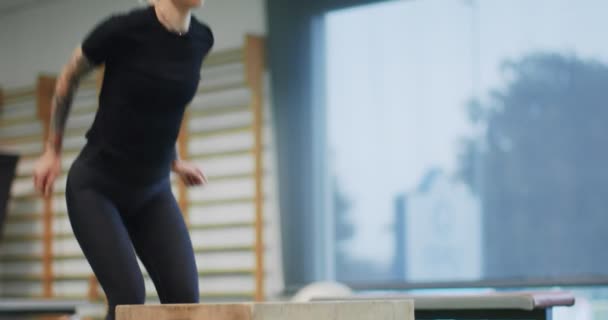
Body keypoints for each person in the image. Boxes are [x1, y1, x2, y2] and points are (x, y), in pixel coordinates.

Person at [32, 0, 213, 319]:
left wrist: (176, 161)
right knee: (129, 296)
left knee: (185, 298)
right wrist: (52, 150)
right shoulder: (124, 30)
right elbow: (68, 78)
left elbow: (167, 106)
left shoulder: (201, 40)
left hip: (153, 192)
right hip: (97, 187)